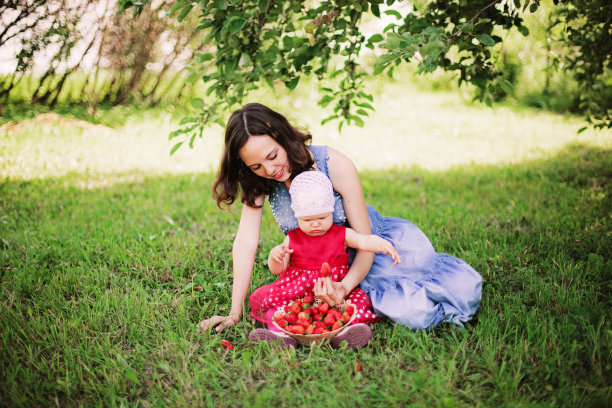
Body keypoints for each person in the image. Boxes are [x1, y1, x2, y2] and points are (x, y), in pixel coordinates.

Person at [197, 102, 482, 337]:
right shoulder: (260, 181)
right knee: (298, 309)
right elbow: (246, 242)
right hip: (315, 264)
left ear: (280, 135)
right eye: (256, 165)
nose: (270, 169)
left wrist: (343, 288)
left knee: (413, 312)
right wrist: (235, 313)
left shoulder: (335, 164)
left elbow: (365, 244)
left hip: (362, 250)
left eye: (272, 156)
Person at [248, 170, 401, 348]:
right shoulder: (292, 238)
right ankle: (281, 335)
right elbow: (278, 269)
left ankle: (344, 334)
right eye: (307, 219)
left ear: (332, 212)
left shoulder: (342, 233)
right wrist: (275, 257)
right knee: (277, 308)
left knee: (357, 303)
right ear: (297, 216)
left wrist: (380, 244)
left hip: (334, 292)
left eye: (322, 217)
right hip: (299, 295)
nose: (316, 224)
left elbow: (363, 240)